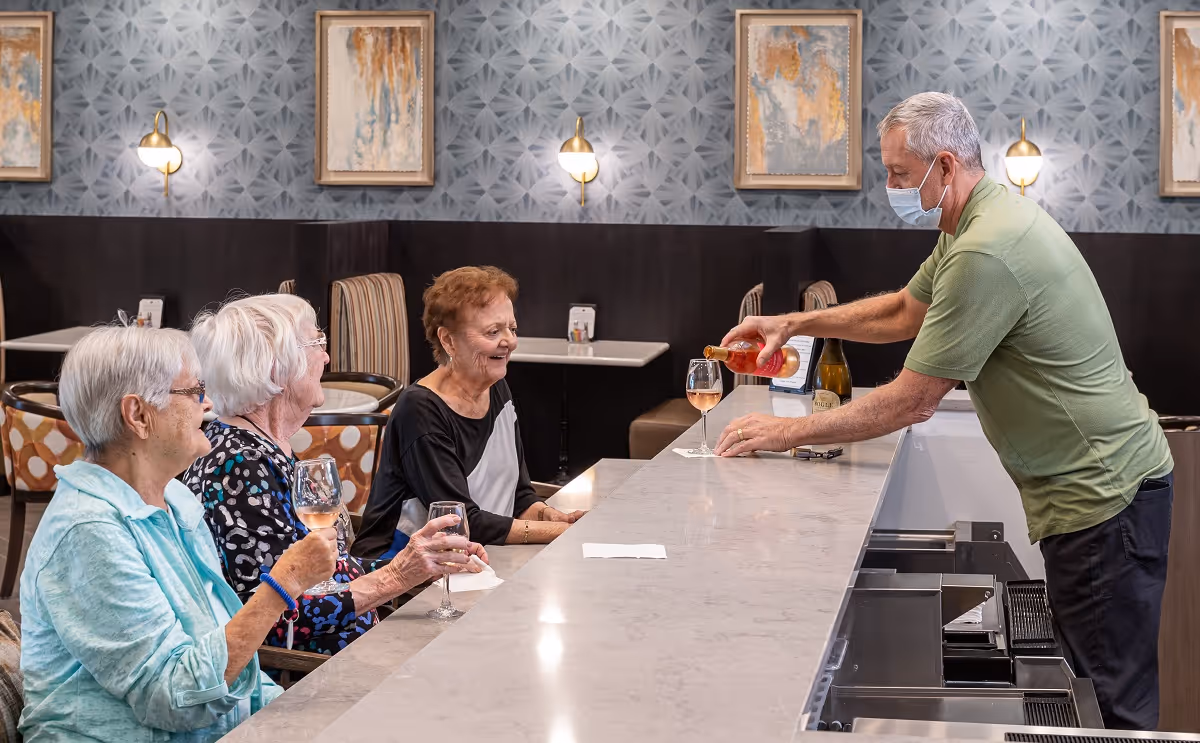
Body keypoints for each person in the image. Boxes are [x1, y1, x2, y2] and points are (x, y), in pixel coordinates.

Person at [715, 92, 1173, 731]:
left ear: (946, 165)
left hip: (1103, 499)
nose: (892, 188)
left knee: (1109, 705)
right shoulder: (973, 224)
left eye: (901, 175)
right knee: (1092, 688)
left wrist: (784, 432)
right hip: (1096, 493)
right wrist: (794, 322)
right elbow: (904, 310)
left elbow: (913, 398)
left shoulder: (988, 248)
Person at [19, 326, 336, 742]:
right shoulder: (89, 532)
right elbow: (176, 697)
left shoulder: (174, 497)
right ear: (138, 415)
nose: (207, 403)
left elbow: (219, 648)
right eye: (193, 391)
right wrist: (283, 585)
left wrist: (293, 717)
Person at [184, 294, 487, 659]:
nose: (326, 358)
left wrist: (421, 561)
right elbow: (274, 621)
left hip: (356, 654)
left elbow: (334, 574)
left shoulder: (265, 448)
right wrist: (396, 578)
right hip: (313, 677)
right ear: (274, 368)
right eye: (317, 344)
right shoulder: (237, 467)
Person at [353, 266, 584, 559]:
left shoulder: (496, 387)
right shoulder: (420, 409)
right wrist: (563, 534)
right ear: (449, 340)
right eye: (493, 331)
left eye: (512, 329)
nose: (509, 341)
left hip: (477, 557)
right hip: (401, 568)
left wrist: (551, 516)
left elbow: (519, 495)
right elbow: (460, 522)